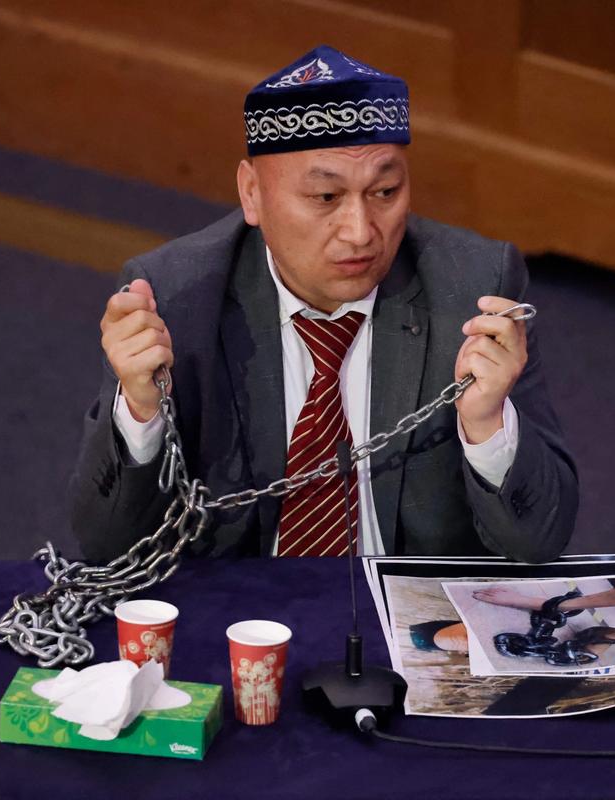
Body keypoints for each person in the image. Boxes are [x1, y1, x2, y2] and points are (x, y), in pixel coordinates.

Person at [69, 46, 578, 563]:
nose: (360, 233)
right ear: (252, 194)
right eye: (326, 198)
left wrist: (487, 423)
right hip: (245, 620)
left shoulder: (474, 287)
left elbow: (538, 544)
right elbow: (107, 548)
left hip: (407, 622)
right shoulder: (175, 297)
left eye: (384, 191)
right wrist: (139, 412)